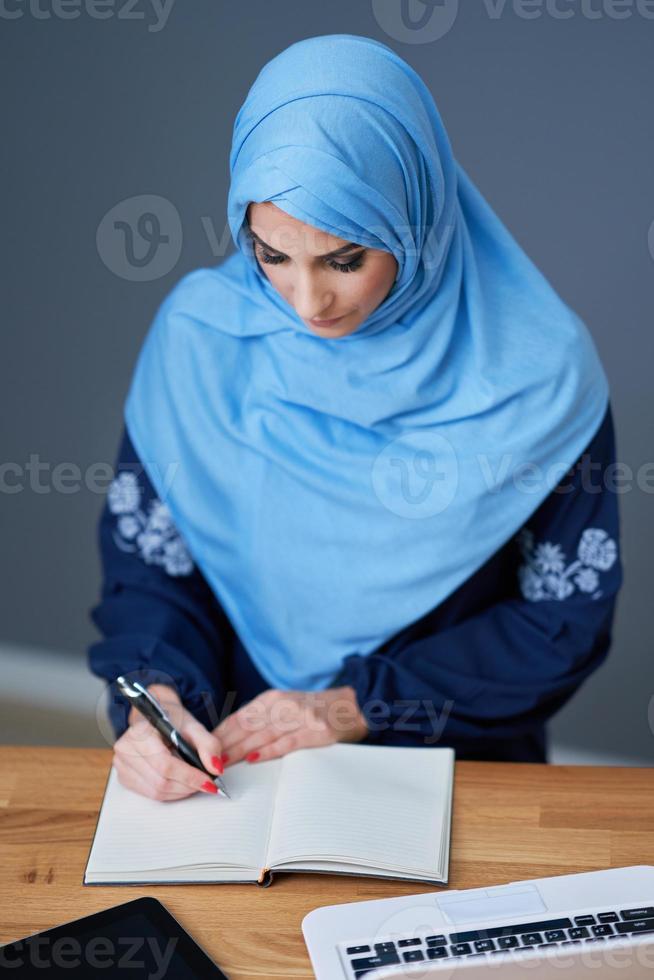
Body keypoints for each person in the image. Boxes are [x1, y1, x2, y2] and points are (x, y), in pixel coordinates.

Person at [87, 34, 622, 801]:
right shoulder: (202, 341)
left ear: (417, 220)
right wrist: (159, 701)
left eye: (344, 261)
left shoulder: (539, 378)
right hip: (240, 774)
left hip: (462, 775)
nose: (308, 303)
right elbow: (153, 570)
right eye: (271, 256)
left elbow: (562, 622)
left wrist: (353, 707)